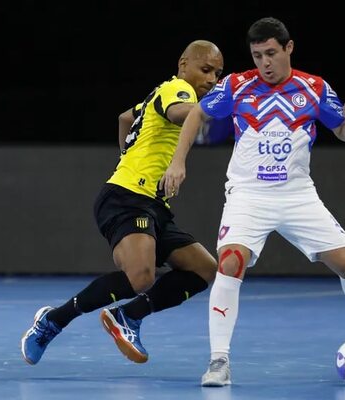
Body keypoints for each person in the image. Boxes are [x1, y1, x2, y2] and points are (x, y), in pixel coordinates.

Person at [161, 17, 345, 387]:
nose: (264, 62)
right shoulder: (237, 85)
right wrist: (178, 160)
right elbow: (199, 113)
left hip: (297, 195)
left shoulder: (314, 88)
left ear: (288, 48)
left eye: (270, 53)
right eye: (257, 55)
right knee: (231, 262)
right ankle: (219, 360)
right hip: (248, 195)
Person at [21, 40, 224, 365]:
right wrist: (216, 108)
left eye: (217, 73)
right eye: (206, 69)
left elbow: (123, 119)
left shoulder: (155, 95)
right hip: (127, 198)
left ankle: (129, 316)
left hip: (152, 205)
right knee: (140, 276)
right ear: (183, 63)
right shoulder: (178, 89)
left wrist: (129, 158)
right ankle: (53, 321)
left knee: (204, 268)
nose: (212, 79)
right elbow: (182, 114)